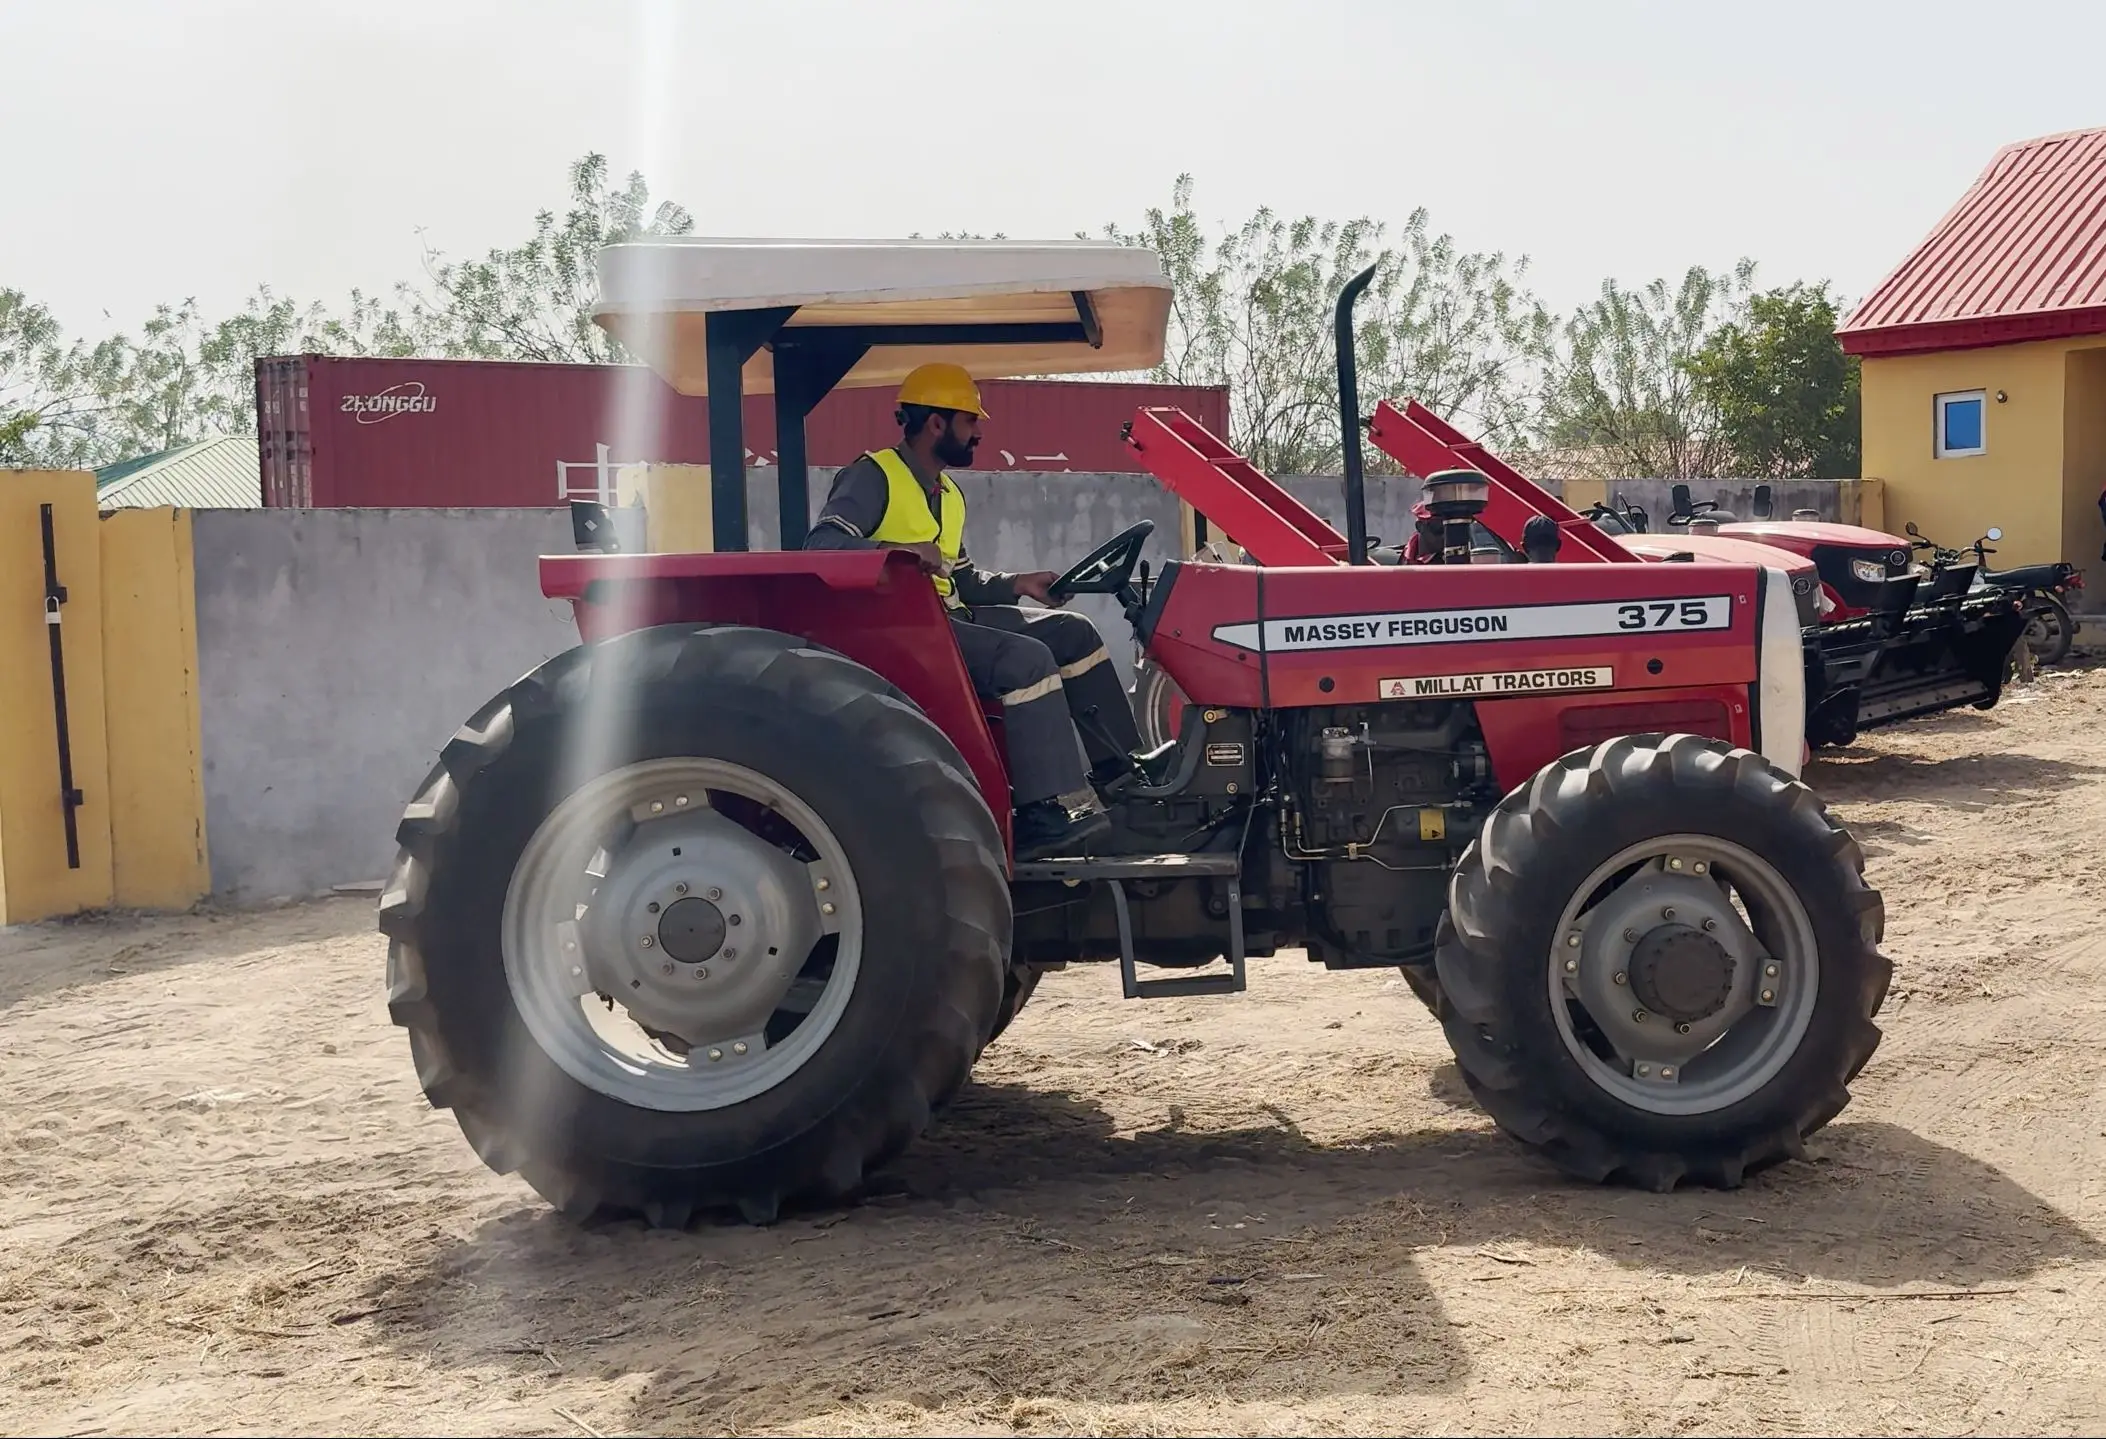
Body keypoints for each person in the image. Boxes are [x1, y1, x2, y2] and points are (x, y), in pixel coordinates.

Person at [803, 362, 1151, 861]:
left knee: (1074, 632)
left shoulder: (949, 494)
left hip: (952, 619)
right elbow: (821, 546)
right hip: (903, 631)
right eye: (970, 421)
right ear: (936, 423)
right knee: (1025, 660)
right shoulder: (872, 476)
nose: (979, 433)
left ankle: (1121, 773)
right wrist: (895, 551)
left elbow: (962, 579)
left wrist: (1020, 584)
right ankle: (1039, 814)